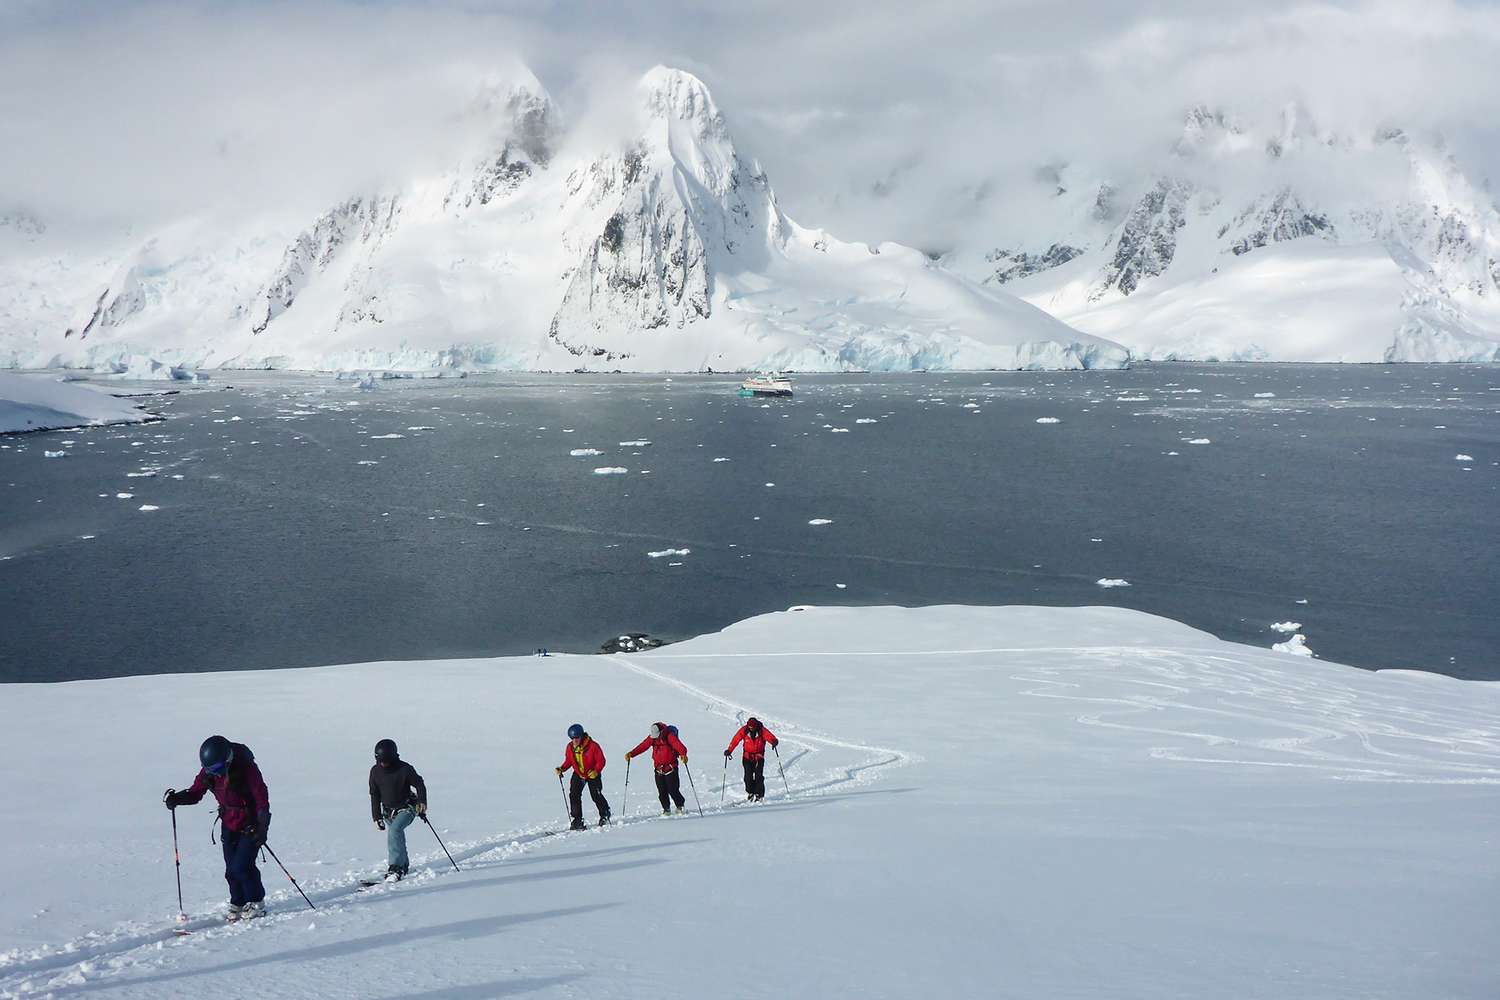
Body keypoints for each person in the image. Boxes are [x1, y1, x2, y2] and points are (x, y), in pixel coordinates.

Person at [163, 735, 271, 921]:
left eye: (218, 769)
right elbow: (195, 793)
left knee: (242, 866)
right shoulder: (209, 773)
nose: (216, 773)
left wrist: (262, 828)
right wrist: (177, 799)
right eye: (211, 770)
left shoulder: (246, 767)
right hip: (228, 822)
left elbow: (261, 798)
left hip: (250, 823)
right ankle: (238, 902)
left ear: (227, 759)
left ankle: (256, 902)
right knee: (231, 869)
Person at [369, 738, 428, 881]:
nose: (383, 764)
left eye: (386, 761)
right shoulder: (375, 771)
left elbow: (420, 784)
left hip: (407, 808)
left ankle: (395, 867)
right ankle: (404, 865)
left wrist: (422, 802)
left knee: (395, 831)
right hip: (388, 811)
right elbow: (374, 794)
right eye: (380, 761)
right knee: (397, 836)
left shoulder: (405, 769)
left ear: (393, 756)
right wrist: (376, 816)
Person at [625, 722, 689, 815]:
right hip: (658, 768)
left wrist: (683, 755)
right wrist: (632, 753)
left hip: (671, 767)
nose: (656, 738)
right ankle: (666, 809)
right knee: (662, 791)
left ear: (661, 731)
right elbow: (643, 746)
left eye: (657, 735)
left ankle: (680, 805)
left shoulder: (669, 736)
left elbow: (680, 746)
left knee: (673, 789)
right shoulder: (652, 738)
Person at [555, 723, 610, 831]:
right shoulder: (570, 747)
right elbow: (569, 761)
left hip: (592, 773)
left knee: (596, 795)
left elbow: (601, 761)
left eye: (577, 738)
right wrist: (562, 768)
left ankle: (605, 814)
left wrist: (596, 771)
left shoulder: (593, 746)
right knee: (574, 795)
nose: (574, 740)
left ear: (582, 736)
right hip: (579, 773)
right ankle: (577, 820)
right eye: (572, 738)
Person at [725, 717, 779, 801]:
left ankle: (759, 794)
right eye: (749, 727)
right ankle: (750, 792)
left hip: (759, 757)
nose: (751, 728)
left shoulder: (762, 730)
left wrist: (774, 741)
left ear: (756, 726)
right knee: (748, 777)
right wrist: (729, 750)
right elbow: (736, 740)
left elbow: (769, 736)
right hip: (747, 756)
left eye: (752, 727)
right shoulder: (744, 730)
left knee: (758, 776)